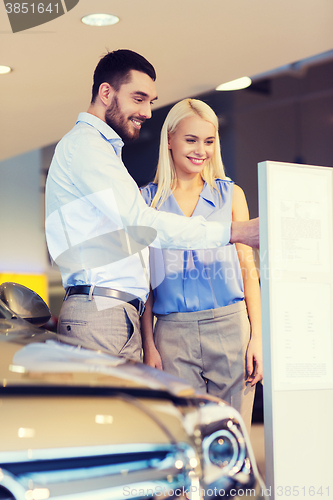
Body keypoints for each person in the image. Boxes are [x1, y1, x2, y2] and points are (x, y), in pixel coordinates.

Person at [45, 49, 260, 362]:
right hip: (102, 312)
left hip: (113, 311)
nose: (146, 111)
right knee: (110, 412)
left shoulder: (101, 151)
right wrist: (235, 230)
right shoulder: (86, 147)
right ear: (106, 93)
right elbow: (142, 225)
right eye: (139, 98)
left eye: (151, 101)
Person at [140, 98, 262, 431]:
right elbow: (146, 282)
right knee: (186, 439)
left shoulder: (230, 195)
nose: (201, 150)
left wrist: (257, 338)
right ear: (170, 140)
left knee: (231, 438)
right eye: (191, 139)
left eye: (209, 141)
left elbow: (249, 272)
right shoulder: (146, 201)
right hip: (172, 335)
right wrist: (149, 344)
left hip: (230, 327)